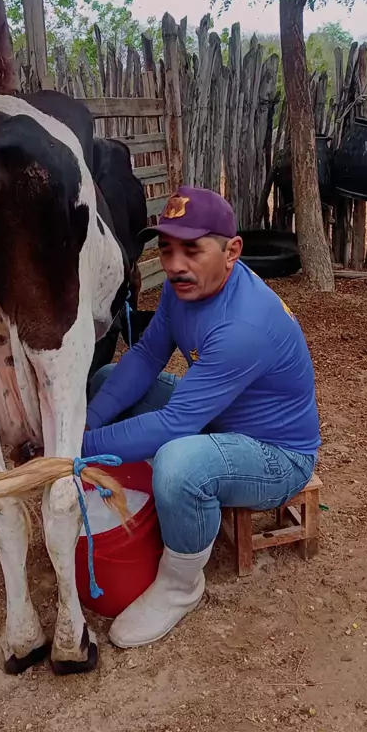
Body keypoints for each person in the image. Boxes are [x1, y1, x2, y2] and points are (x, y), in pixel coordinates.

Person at [82, 185, 321, 649]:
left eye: (191, 250)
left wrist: (76, 446)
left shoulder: (244, 325)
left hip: (276, 456)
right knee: (109, 380)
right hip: (220, 418)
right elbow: (147, 356)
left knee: (179, 463)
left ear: (232, 251)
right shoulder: (185, 289)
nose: (174, 265)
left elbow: (175, 425)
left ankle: (181, 584)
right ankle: (166, 502)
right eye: (166, 249)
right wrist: (89, 421)